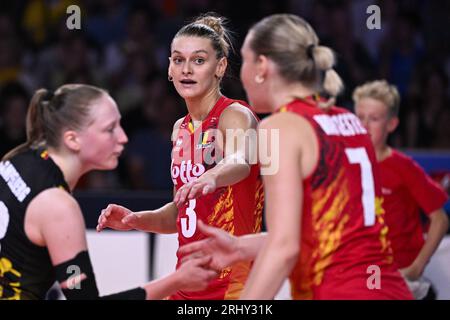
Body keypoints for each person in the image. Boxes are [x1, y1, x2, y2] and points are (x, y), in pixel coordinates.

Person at [180, 14, 414, 300]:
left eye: (245, 60)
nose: (241, 75)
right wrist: (242, 248)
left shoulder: (281, 126)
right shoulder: (349, 121)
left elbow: (284, 248)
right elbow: (331, 235)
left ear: (262, 66)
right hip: (389, 289)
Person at [96, 13, 264, 300]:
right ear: (169, 70)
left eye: (199, 60)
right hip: (187, 282)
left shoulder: (234, 115)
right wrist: (137, 220)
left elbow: (241, 162)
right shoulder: (179, 128)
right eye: (178, 60)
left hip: (234, 286)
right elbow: (180, 213)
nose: (187, 69)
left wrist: (212, 175)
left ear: (220, 67)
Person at [0, 84, 216, 300]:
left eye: (120, 125)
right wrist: (177, 280)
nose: (123, 137)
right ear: (72, 139)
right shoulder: (58, 206)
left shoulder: (19, 159)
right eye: (109, 129)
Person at [353, 80, 449, 299]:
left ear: (392, 124)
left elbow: (440, 219)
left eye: (374, 119)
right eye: (360, 117)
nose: (365, 125)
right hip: (360, 272)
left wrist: (416, 268)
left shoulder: (404, 167)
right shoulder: (346, 164)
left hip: (397, 274)